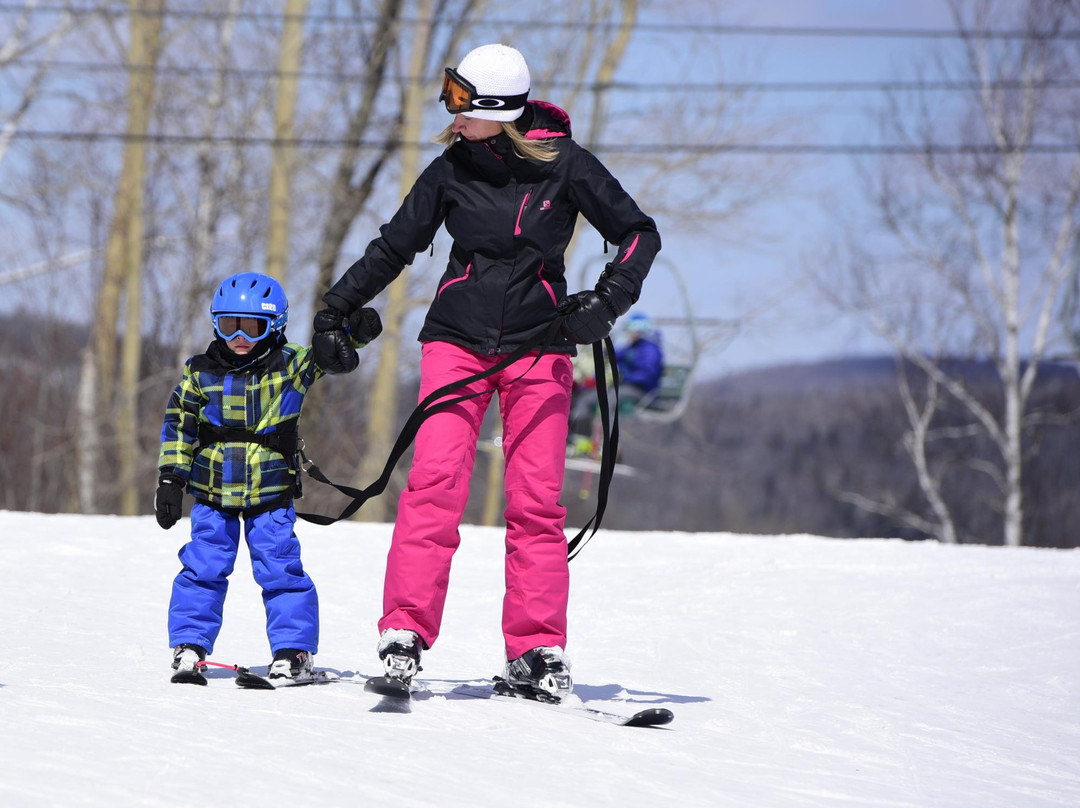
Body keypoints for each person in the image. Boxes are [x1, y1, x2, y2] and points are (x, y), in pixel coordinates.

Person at [312, 43, 660, 703]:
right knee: (433, 486)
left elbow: (639, 233)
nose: (451, 113)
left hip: (541, 346)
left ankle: (536, 649)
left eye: (460, 101)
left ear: (498, 109)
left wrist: (608, 301)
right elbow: (393, 246)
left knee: (536, 503)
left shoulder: (567, 165)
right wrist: (335, 309)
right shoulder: (451, 168)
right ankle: (403, 634)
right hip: (457, 343)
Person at [155, 271, 382, 684]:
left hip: (270, 493)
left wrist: (354, 334)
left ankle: (293, 653)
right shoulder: (198, 373)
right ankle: (188, 645)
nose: (240, 336)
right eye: (229, 325)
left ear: (274, 326)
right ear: (216, 324)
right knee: (202, 568)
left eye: (252, 326)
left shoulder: (290, 365)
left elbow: (326, 356)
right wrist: (171, 478)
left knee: (281, 571)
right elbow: (178, 427)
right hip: (212, 494)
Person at [615, 312, 664, 414]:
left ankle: (609, 423)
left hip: (645, 391)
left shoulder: (650, 350)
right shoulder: (634, 347)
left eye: (630, 330)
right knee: (598, 393)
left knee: (613, 396)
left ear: (639, 331)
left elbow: (647, 375)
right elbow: (618, 356)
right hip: (631, 387)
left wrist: (624, 376)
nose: (628, 334)